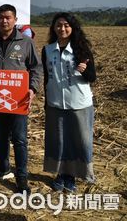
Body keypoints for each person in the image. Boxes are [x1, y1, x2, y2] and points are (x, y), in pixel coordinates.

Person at [0, 4, 42, 194]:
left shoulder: (26, 42)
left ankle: (22, 178)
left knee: (20, 139)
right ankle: (3, 168)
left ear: (15, 20)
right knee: (1, 135)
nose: (4, 21)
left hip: (19, 100)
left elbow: (36, 68)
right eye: (0, 18)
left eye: (8, 17)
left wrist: (33, 89)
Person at [42, 13, 96, 192]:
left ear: (72, 28)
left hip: (79, 103)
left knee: (78, 140)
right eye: (58, 25)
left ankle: (72, 176)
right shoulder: (48, 50)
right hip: (55, 103)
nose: (62, 29)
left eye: (66, 25)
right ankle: (60, 174)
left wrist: (84, 71)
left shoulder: (81, 49)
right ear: (53, 28)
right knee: (58, 140)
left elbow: (92, 77)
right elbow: (47, 78)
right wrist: (47, 101)